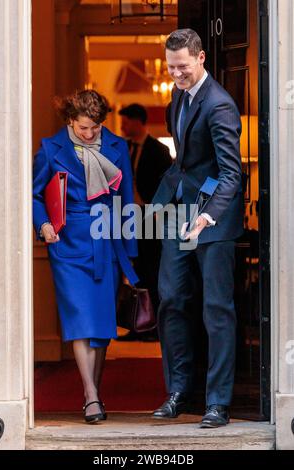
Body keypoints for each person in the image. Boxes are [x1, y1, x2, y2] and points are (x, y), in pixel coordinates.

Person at [151, 29, 244, 427]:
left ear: (201, 58)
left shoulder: (220, 106)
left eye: (183, 68)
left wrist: (207, 215)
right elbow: (182, 163)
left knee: (216, 308)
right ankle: (177, 391)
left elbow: (230, 174)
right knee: (171, 298)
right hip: (178, 212)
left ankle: (218, 402)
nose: (176, 75)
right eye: (171, 68)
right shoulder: (176, 97)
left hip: (213, 220)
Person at [33, 90, 138, 423]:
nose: (90, 134)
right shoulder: (51, 148)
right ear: (70, 120)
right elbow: (34, 195)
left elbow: (125, 202)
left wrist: (129, 256)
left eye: (95, 127)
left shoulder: (118, 146)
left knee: (102, 325)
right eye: (83, 128)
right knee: (80, 319)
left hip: (107, 240)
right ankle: (91, 395)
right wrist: (44, 224)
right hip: (68, 243)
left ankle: (95, 391)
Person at [117, 104, 172, 341]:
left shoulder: (158, 150)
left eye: (126, 121)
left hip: (150, 216)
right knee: (134, 271)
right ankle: (136, 324)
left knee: (152, 271)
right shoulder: (122, 148)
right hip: (127, 216)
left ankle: (154, 327)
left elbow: (167, 184)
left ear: (138, 121)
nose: (123, 126)